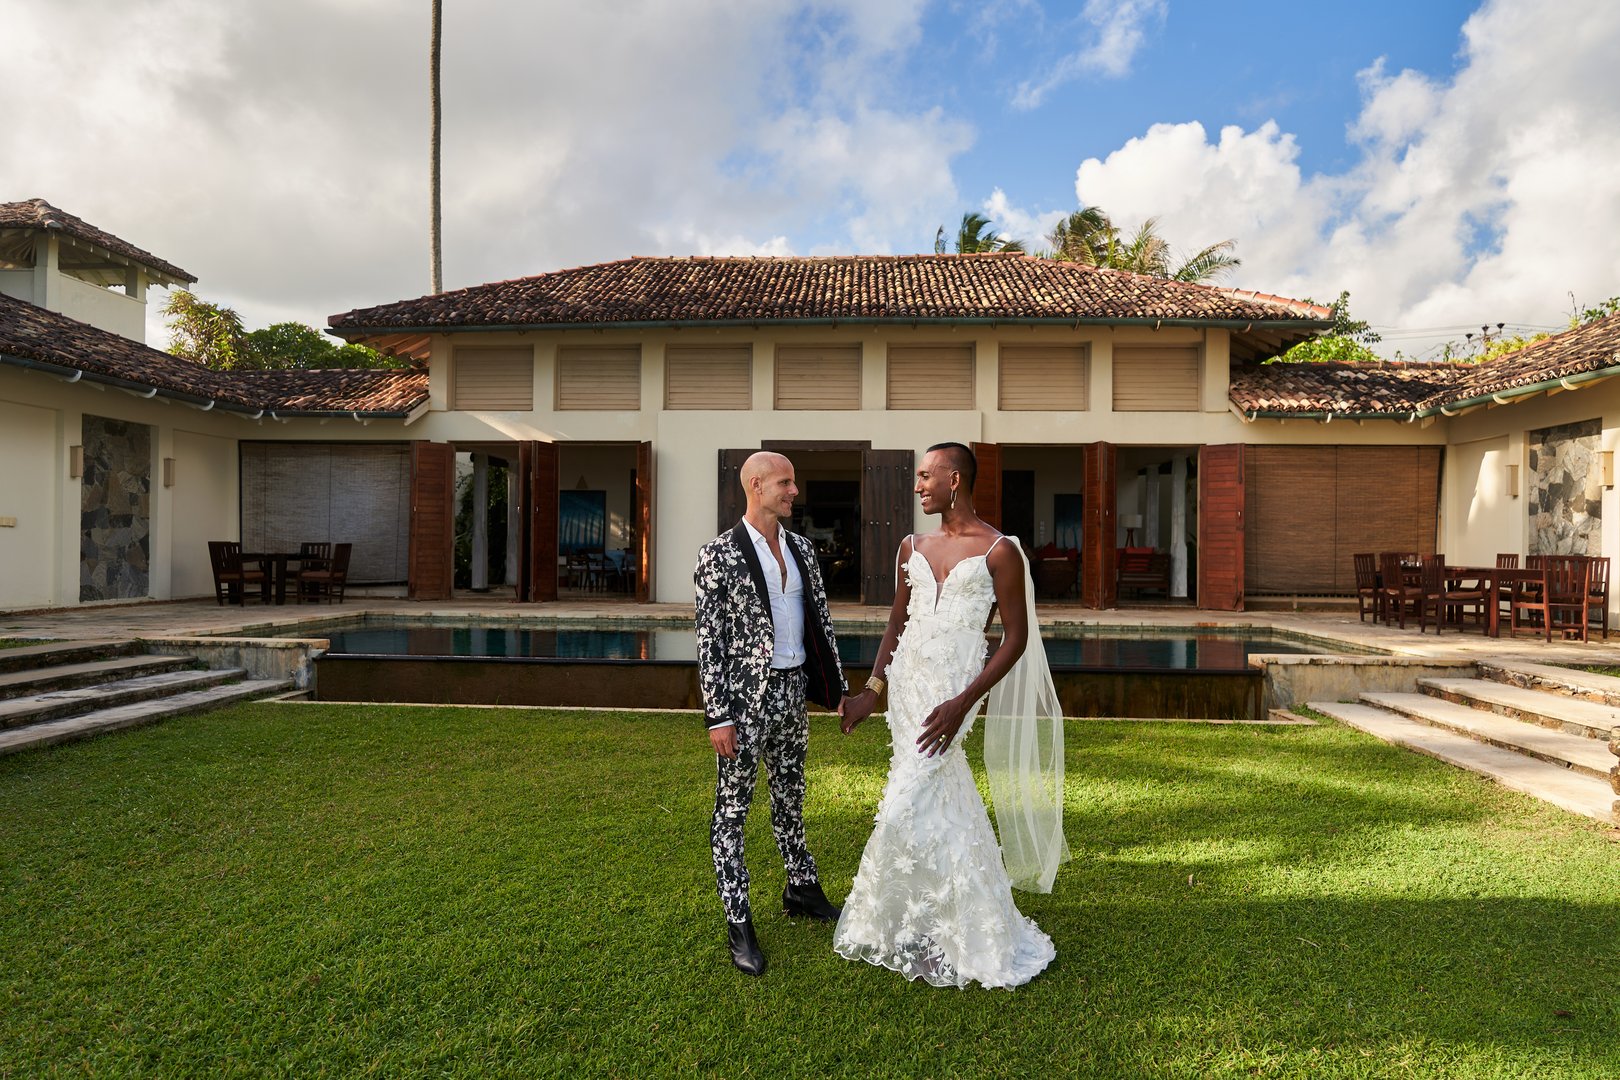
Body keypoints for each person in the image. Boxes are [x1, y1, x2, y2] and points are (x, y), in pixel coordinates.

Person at [834, 442, 1068, 989]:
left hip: (955, 686)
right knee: (936, 789)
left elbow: (1016, 638)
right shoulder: (910, 545)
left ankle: (891, 915)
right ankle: (943, 914)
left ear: (955, 479)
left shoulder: (1000, 551)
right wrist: (873, 690)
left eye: (925, 476)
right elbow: (897, 622)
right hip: (912, 681)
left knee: (913, 789)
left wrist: (966, 699)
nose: (918, 486)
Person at [694, 451, 848, 976]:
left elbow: (820, 625)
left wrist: (838, 690)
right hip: (743, 704)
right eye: (786, 483)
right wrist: (719, 715)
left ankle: (801, 889)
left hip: (793, 694)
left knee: (791, 798)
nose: (794, 491)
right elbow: (709, 642)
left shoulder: (802, 548)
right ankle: (740, 924)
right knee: (732, 814)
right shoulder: (717, 556)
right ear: (756, 485)